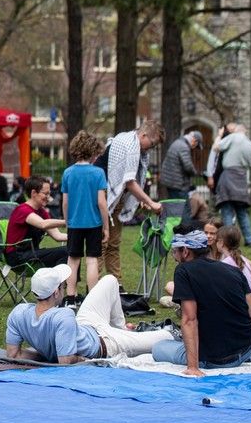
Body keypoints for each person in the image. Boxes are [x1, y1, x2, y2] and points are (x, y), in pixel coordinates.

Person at [151, 229, 251, 376]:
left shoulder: (183, 270)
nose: (174, 256)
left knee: (159, 347)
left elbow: (189, 319)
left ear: (186, 251)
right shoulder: (233, 271)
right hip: (245, 350)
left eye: (175, 252)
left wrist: (193, 368)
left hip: (212, 359)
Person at [5, 265, 173, 364]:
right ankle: (123, 336)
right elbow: (66, 361)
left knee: (110, 280)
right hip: (106, 344)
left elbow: (13, 354)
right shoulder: (63, 316)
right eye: (63, 285)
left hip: (84, 325)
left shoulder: (18, 313)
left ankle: (122, 329)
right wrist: (81, 360)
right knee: (168, 336)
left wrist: (45, 356)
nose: (65, 287)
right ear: (56, 292)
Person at [98, 120, 165, 281]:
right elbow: (129, 181)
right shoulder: (129, 145)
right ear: (143, 135)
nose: (152, 148)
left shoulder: (136, 147)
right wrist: (151, 202)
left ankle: (116, 284)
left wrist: (139, 198)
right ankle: (95, 285)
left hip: (116, 198)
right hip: (102, 197)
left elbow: (130, 181)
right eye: (153, 143)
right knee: (101, 242)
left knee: (113, 243)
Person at [61, 131, 109, 299]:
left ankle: (70, 297)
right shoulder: (98, 173)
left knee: (73, 260)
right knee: (92, 260)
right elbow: (102, 203)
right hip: (94, 223)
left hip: (74, 223)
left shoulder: (67, 173)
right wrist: (106, 227)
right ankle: (92, 299)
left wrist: (67, 221)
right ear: (93, 151)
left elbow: (65, 202)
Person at [4, 176, 68, 268]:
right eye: (45, 194)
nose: (48, 197)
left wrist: (81, 236)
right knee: (65, 251)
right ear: (34, 193)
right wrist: (69, 222)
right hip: (17, 256)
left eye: (49, 194)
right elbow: (43, 224)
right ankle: (63, 282)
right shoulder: (22, 210)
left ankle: (65, 282)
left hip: (32, 253)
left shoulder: (42, 212)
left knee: (71, 250)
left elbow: (58, 236)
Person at [211, 124, 251, 246]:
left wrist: (219, 136)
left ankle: (228, 241)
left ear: (236, 131)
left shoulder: (233, 137)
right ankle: (249, 240)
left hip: (228, 177)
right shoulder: (250, 144)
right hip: (242, 178)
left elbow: (216, 147)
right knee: (242, 212)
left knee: (227, 211)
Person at [218, 225, 251, 294]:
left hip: (242, 299)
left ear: (221, 242)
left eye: (217, 241)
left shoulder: (224, 263)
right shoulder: (241, 258)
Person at [159, 131, 202, 200]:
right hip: (177, 184)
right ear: (194, 140)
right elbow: (188, 166)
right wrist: (195, 173)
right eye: (196, 145)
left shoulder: (178, 142)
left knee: (175, 205)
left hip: (172, 182)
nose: (194, 148)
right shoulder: (184, 146)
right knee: (181, 207)